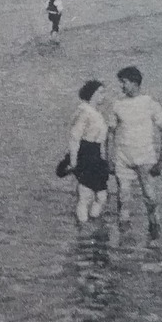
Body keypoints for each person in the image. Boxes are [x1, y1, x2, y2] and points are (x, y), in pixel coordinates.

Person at [105, 66, 162, 235]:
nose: (122, 86)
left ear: (134, 83)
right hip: (122, 157)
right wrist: (109, 157)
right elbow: (110, 134)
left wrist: (161, 160)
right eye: (121, 83)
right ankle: (124, 238)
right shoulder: (117, 105)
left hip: (145, 157)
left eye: (124, 82)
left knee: (150, 197)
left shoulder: (150, 103)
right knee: (123, 198)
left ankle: (155, 231)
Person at [65, 80, 111, 224]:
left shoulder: (96, 112)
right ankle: (83, 227)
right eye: (100, 92)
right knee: (85, 195)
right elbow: (74, 136)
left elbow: (103, 139)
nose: (103, 96)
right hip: (86, 152)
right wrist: (73, 161)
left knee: (102, 196)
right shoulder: (84, 111)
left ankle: (92, 222)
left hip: (97, 154)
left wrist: (104, 158)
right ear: (92, 94)